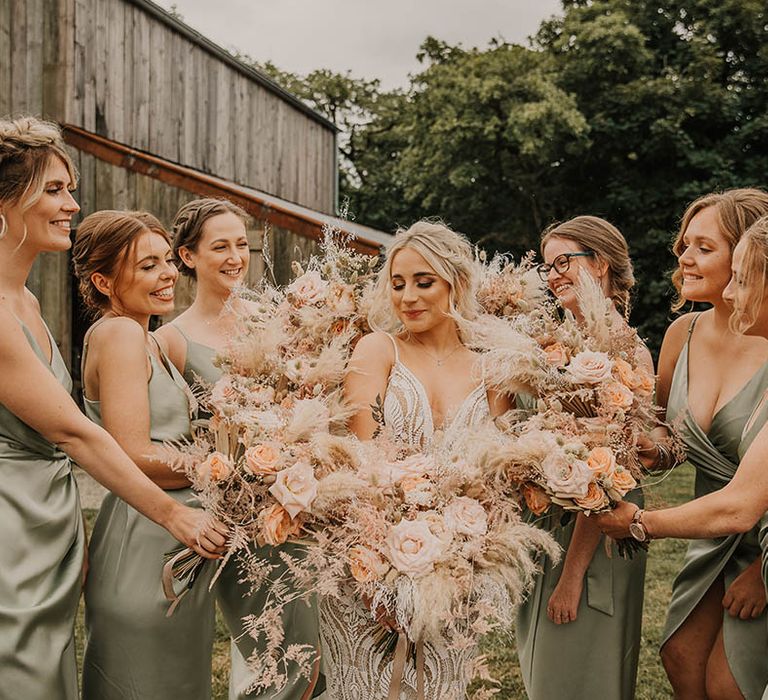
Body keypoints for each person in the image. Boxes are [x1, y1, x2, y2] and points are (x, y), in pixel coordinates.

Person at [0, 116, 224, 700]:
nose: (72, 204)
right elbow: (76, 434)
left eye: (70, 188)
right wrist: (177, 513)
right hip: (10, 527)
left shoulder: (24, 301)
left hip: (46, 518)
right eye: (53, 189)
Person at [334, 219, 510, 699]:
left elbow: (500, 471)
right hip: (371, 561)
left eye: (422, 282)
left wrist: (466, 556)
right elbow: (361, 460)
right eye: (397, 284)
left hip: (458, 568)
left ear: (455, 283)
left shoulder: (492, 364)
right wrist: (380, 575)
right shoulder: (377, 350)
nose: (407, 297)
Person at [596, 211, 768, 700]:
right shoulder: (683, 334)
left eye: (706, 248)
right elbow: (669, 438)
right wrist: (638, 444)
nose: (684, 258)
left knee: (729, 683)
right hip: (711, 523)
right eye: (684, 244)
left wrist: (640, 521)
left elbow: (746, 503)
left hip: (748, 525)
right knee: (680, 657)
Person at [156, 198, 323, 700]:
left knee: (319, 653)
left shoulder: (276, 320)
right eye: (220, 246)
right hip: (242, 518)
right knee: (273, 655)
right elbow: (173, 434)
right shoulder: (171, 340)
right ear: (187, 257)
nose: (235, 257)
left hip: (303, 505)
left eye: (242, 245)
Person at [71, 209, 222, 699]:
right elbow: (132, 454)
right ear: (104, 281)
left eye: (166, 261)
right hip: (143, 539)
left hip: (173, 542)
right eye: (147, 266)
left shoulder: (148, 338)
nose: (167, 275)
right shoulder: (118, 334)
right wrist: (222, 467)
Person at [515, 215, 653, 700]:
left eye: (563, 262)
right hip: (548, 526)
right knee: (544, 675)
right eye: (546, 266)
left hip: (593, 535)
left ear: (601, 264)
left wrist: (572, 578)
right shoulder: (557, 344)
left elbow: (608, 471)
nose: (552, 276)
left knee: (574, 680)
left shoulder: (622, 352)